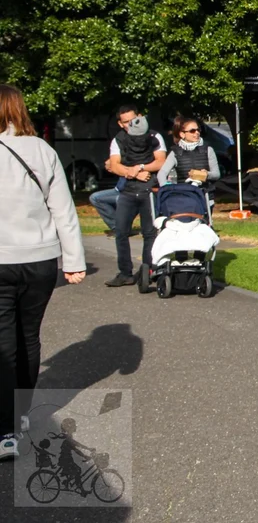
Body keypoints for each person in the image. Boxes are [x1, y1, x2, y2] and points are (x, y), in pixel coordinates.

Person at [0, 83, 86, 461]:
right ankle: (20, 417)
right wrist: (74, 261)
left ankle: (5, 430)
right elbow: (63, 210)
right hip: (40, 261)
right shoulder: (43, 150)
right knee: (28, 337)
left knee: (3, 346)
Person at [103, 104, 165, 287]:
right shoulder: (118, 140)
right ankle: (125, 273)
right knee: (121, 232)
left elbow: (160, 161)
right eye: (126, 122)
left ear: (140, 117)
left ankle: (148, 270)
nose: (130, 124)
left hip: (149, 190)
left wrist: (141, 167)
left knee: (149, 233)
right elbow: (114, 165)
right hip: (128, 191)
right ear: (120, 124)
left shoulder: (154, 136)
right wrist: (135, 172)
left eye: (133, 119)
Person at [158, 115, 221, 193]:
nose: (197, 132)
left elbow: (216, 174)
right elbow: (162, 173)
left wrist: (207, 174)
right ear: (182, 134)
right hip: (185, 197)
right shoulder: (175, 152)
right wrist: (166, 190)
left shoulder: (208, 150)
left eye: (198, 130)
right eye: (192, 131)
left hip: (205, 196)